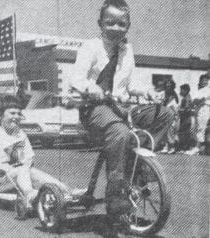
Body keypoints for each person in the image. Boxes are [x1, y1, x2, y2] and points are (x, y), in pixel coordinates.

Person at [69, 0, 173, 228]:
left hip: (122, 108)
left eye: (121, 24)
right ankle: (115, 197)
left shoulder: (128, 50)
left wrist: (146, 91)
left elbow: (131, 83)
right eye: (110, 23)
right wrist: (93, 88)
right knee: (119, 131)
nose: (116, 28)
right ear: (100, 24)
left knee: (164, 114)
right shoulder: (90, 47)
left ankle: (138, 163)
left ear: (128, 26)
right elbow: (76, 78)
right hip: (95, 110)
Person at [0, 95, 85, 215]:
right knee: (22, 170)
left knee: (36, 173)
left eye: (18, 114)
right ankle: (29, 194)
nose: (16, 117)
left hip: (20, 174)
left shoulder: (20, 134)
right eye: (12, 113)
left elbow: (29, 156)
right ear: (0, 115)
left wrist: (27, 163)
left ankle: (68, 192)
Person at [185, 74, 210, 155]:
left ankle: (198, 148)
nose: (204, 82)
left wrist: (197, 105)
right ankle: (200, 148)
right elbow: (194, 100)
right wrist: (195, 104)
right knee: (197, 128)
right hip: (199, 109)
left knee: (200, 128)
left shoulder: (207, 90)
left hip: (205, 109)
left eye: (206, 80)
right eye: (203, 80)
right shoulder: (199, 90)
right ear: (200, 81)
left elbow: (201, 100)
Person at [160, 78, 179, 154]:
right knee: (165, 131)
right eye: (166, 86)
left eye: (169, 86)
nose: (168, 87)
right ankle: (166, 146)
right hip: (166, 116)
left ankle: (172, 147)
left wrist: (175, 118)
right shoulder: (165, 96)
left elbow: (175, 110)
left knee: (170, 132)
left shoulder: (174, 97)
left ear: (172, 87)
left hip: (173, 117)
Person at [178, 84, 193, 151]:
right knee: (184, 133)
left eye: (182, 90)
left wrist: (179, 110)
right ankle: (184, 147)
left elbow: (187, 109)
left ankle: (185, 148)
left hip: (186, 118)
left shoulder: (187, 98)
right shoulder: (186, 97)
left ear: (186, 90)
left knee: (185, 133)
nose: (181, 91)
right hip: (184, 118)